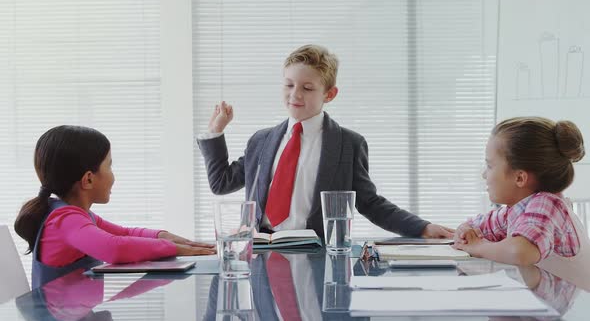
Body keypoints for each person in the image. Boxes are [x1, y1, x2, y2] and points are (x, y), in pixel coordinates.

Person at [198, 44, 453, 239]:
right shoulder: (261, 141)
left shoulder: (348, 144)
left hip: (317, 253)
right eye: (289, 85)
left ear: (329, 94)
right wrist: (215, 132)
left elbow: (369, 203)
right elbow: (221, 183)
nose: (295, 94)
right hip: (262, 250)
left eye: (307, 88)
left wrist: (422, 228)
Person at [14, 125, 215, 289]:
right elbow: (115, 248)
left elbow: (124, 233)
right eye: (109, 166)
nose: (113, 174)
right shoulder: (65, 220)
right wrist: (175, 249)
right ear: (89, 179)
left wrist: (166, 236)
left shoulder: (75, 215)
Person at [453, 117, 590, 269]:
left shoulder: (548, 204)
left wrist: (478, 247)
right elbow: (474, 226)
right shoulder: (515, 211)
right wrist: (465, 232)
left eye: (490, 166)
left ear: (519, 178)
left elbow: (520, 252)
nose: (484, 175)